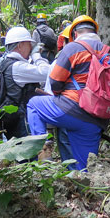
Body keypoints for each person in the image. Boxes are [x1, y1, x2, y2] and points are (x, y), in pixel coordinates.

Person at [27, 15, 110, 170]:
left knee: (34, 105)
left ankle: (43, 151)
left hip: (71, 108)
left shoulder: (73, 48)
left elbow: (55, 82)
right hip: (97, 118)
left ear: (74, 34)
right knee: (83, 168)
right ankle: (84, 191)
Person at [0, 26, 50, 139]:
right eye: (29, 44)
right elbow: (48, 72)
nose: (31, 47)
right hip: (19, 119)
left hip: (7, 117)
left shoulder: (2, 62)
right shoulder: (17, 67)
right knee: (26, 153)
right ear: (20, 45)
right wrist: (36, 56)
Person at [43, 24, 74, 167]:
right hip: (90, 113)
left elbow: (50, 92)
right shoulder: (94, 59)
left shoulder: (59, 63)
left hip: (66, 111)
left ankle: (73, 174)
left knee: (66, 143)